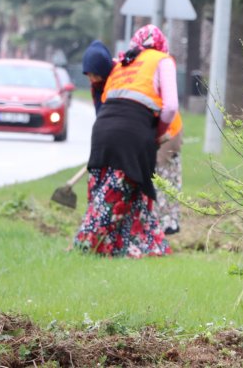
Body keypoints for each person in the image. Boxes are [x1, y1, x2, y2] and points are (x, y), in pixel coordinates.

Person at [73, 25, 180, 258]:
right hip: (134, 134)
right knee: (115, 195)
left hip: (102, 131)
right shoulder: (163, 60)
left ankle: (133, 246)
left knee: (121, 193)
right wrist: (157, 132)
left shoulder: (123, 61)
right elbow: (171, 106)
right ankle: (85, 241)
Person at [81, 40, 115, 114]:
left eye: (95, 75)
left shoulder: (117, 78)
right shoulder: (96, 85)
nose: (92, 79)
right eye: (89, 75)